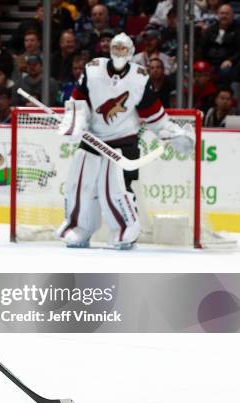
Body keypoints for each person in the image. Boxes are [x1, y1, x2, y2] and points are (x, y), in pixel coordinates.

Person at [55, 33, 194, 249]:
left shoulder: (140, 77)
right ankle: (79, 228)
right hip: (93, 139)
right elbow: (78, 98)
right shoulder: (93, 69)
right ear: (110, 49)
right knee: (79, 184)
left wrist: (173, 133)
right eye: (116, 48)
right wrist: (76, 120)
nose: (119, 53)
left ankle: (124, 229)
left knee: (116, 189)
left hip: (123, 143)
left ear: (130, 52)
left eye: (123, 49)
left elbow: (154, 115)